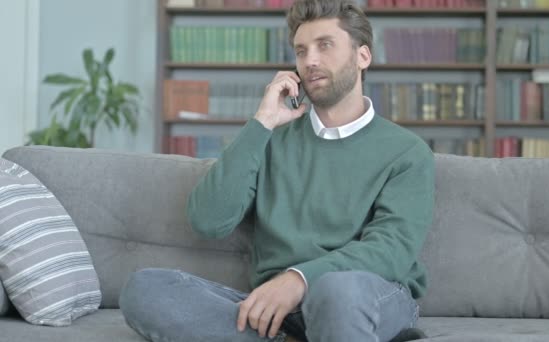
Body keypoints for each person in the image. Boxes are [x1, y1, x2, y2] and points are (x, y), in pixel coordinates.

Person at [119, 0, 435, 341]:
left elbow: (391, 249)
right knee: (145, 289)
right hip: (278, 314)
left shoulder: (407, 152)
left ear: (363, 57)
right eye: (301, 51)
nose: (309, 61)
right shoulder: (270, 141)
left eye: (324, 45)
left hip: (365, 294)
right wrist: (263, 123)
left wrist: (299, 278)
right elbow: (208, 220)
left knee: (336, 293)